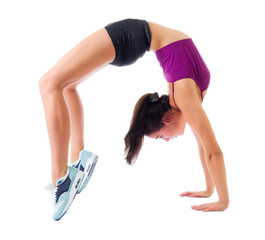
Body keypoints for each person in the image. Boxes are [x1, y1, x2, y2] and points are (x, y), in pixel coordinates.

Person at [39, 18, 229, 220]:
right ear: (166, 121)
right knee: (51, 85)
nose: (165, 140)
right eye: (160, 137)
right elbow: (213, 152)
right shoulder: (184, 97)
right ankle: (63, 177)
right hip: (130, 36)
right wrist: (223, 201)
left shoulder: (186, 100)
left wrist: (210, 189)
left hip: (134, 38)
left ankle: (78, 162)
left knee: (62, 85)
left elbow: (205, 146)